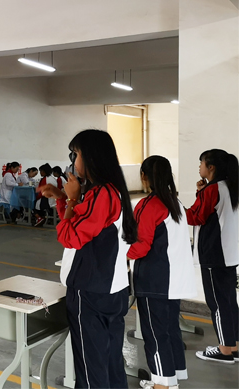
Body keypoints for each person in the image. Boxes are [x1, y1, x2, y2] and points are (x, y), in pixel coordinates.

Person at [41, 129, 137, 389]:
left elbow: (69, 236)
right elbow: (82, 220)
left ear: (92, 156)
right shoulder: (110, 191)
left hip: (91, 292)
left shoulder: (101, 194)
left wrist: (72, 198)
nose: (73, 161)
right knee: (110, 362)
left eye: (76, 154)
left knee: (91, 367)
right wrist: (63, 198)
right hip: (112, 289)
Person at [128, 156, 196, 389]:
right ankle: (174, 376)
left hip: (154, 280)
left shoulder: (149, 205)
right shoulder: (175, 202)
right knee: (169, 329)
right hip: (173, 279)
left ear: (144, 176)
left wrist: (118, 254)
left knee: (155, 334)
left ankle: (162, 384)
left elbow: (140, 246)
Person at [185, 149, 239, 364]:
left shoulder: (213, 189)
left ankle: (224, 350)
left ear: (211, 167)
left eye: (201, 163)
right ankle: (233, 345)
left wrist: (175, 207)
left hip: (214, 254)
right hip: (229, 253)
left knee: (217, 302)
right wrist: (202, 192)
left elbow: (195, 217)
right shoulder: (229, 186)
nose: (199, 167)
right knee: (229, 301)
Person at [34, 163, 56, 227]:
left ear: (44, 171)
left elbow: (42, 192)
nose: (40, 173)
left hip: (46, 200)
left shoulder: (44, 179)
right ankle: (42, 218)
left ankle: (39, 218)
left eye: (40, 171)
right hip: (54, 199)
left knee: (32, 204)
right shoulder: (53, 178)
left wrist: (36, 197)